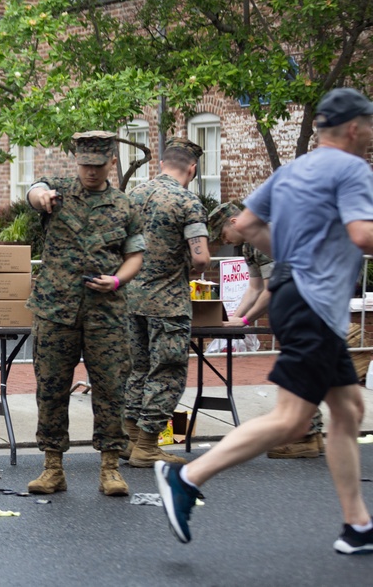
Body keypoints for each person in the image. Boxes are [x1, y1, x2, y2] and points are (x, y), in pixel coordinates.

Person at [156, 87, 373, 554]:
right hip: (313, 305)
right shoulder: (354, 168)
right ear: (355, 128)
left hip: (297, 297)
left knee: (349, 408)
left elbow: (246, 226)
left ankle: (357, 525)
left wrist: (295, 257)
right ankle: (187, 476)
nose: (371, 134)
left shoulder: (294, 169)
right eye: (370, 126)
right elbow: (361, 234)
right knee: (293, 419)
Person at [25, 131, 145, 497]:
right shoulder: (58, 193)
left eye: (98, 165)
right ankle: (52, 468)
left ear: (111, 162)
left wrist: (117, 281)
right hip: (55, 309)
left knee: (110, 390)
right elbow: (34, 192)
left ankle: (110, 468)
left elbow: (135, 255)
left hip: (105, 314)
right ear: (76, 162)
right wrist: (39, 195)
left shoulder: (124, 206)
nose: (90, 172)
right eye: (84, 165)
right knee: (51, 388)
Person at [209, 201, 324, 460]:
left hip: (304, 305)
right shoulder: (249, 243)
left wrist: (247, 321)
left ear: (234, 221)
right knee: (302, 367)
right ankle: (311, 434)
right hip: (300, 304)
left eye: (223, 233)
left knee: (297, 370)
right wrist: (234, 319)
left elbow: (271, 290)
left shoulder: (263, 235)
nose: (224, 240)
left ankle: (303, 436)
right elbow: (255, 287)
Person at [122, 137, 210, 467]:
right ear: (192, 168)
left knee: (138, 370)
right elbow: (200, 258)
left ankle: (130, 440)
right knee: (168, 372)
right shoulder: (187, 202)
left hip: (131, 298)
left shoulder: (134, 196)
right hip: (168, 303)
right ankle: (147, 445)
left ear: (160, 165)